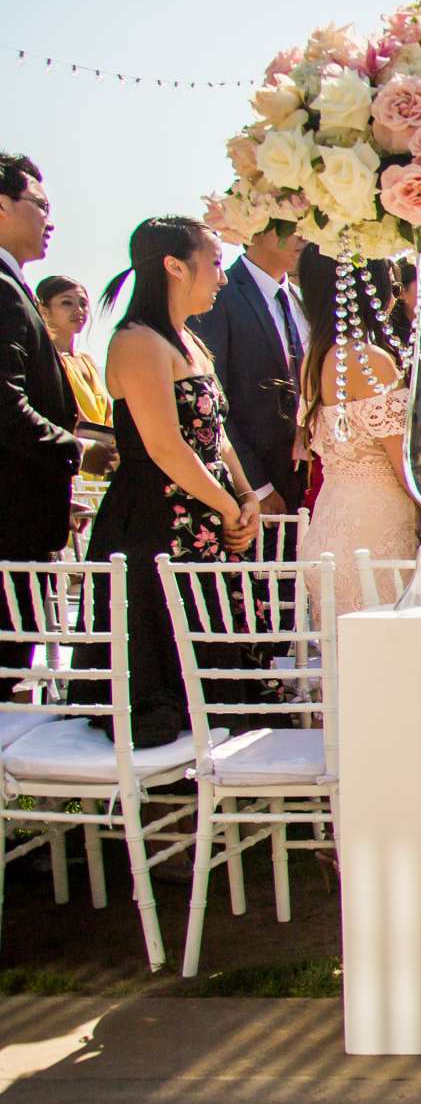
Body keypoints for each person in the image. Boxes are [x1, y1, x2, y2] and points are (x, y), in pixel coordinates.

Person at [85, 218, 264, 744]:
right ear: (174, 266)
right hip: (154, 531)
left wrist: (246, 493)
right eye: (213, 263)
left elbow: (217, 434)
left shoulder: (190, 341)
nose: (222, 278)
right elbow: (165, 446)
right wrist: (229, 510)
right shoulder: (138, 342)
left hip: (206, 523)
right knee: (163, 676)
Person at [291, 249, 416, 620]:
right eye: (389, 284)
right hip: (374, 536)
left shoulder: (315, 357)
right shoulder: (367, 359)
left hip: (330, 524)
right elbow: (404, 466)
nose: (393, 296)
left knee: (345, 663)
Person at [0, 154, 83, 701]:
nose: (50, 221)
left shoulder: (14, 283)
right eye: (42, 206)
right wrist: (77, 451)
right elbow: (7, 406)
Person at [186, 222, 308, 513]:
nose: (304, 236)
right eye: (291, 226)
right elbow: (212, 400)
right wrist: (256, 487)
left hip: (303, 488)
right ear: (254, 231)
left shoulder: (300, 299)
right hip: (249, 496)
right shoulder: (218, 297)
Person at [34, 276, 110, 428]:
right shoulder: (48, 359)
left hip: (105, 446)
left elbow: (108, 415)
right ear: (44, 310)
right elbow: (74, 419)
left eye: (83, 303)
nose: (79, 310)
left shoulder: (86, 360)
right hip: (75, 448)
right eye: (66, 303)